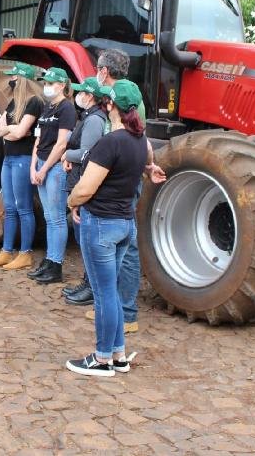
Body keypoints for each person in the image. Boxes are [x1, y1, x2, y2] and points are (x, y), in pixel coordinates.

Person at [65, 79, 165, 377]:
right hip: (124, 224)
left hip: (101, 225)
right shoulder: (141, 141)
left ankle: (102, 357)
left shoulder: (110, 143)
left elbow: (86, 189)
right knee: (112, 292)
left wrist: (71, 201)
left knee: (104, 294)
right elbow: (146, 161)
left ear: (110, 106)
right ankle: (118, 355)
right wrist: (149, 169)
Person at [90, 48, 146, 333]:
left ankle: (126, 312)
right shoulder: (125, 96)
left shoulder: (126, 99)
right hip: (113, 177)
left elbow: (140, 140)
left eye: (98, 68)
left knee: (127, 247)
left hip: (119, 182)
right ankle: (109, 306)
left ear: (104, 71)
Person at [0, 63, 44, 270]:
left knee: (23, 208)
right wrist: (13, 129)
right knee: (9, 208)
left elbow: (19, 133)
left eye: (14, 78)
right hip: (9, 160)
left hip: (23, 159)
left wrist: (10, 131)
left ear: (22, 80)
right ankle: (6, 251)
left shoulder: (34, 103)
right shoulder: (13, 103)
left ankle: (25, 253)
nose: (12, 81)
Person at [61, 77, 109, 304]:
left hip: (84, 181)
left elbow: (87, 153)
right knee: (83, 240)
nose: (78, 95)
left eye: (82, 92)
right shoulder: (90, 117)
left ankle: (92, 287)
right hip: (79, 178)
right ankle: (87, 281)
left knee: (86, 240)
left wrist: (67, 155)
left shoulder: (93, 121)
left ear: (89, 96)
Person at [27, 66, 76, 283]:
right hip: (41, 166)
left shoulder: (67, 109)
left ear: (62, 85)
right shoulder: (47, 107)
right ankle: (48, 260)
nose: (46, 86)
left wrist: (44, 168)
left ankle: (55, 265)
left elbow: (62, 144)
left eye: (50, 83)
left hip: (54, 168)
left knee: (56, 218)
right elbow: (38, 139)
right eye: (45, 83)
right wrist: (33, 167)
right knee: (48, 217)